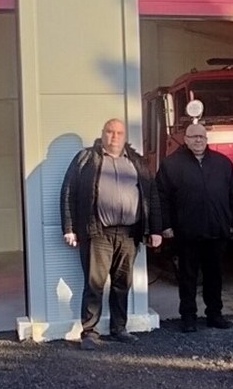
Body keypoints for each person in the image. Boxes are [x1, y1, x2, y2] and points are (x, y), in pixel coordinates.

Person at [60, 117, 162, 349]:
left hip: (129, 234)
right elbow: (68, 192)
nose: (114, 136)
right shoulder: (86, 159)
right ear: (102, 133)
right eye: (110, 131)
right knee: (94, 284)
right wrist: (69, 228)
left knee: (122, 284)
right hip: (98, 233)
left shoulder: (137, 162)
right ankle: (89, 332)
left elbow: (152, 196)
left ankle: (119, 329)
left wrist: (155, 229)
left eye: (119, 133)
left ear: (125, 136)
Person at [157, 120, 233, 333]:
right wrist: (165, 225)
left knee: (215, 276)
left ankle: (215, 315)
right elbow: (161, 197)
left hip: (216, 230)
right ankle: (188, 317)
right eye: (193, 137)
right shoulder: (171, 165)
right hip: (186, 231)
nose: (198, 140)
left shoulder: (223, 163)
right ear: (185, 139)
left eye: (201, 137)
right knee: (188, 278)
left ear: (206, 139)